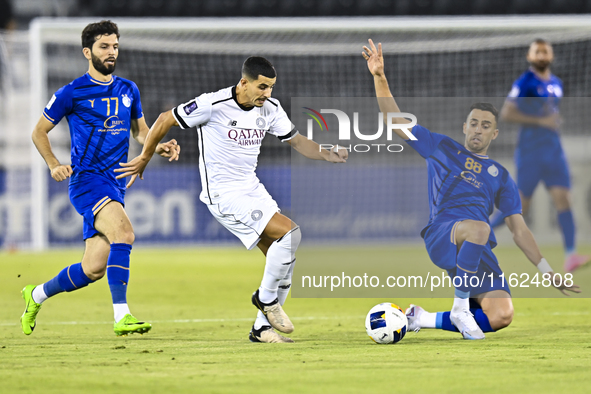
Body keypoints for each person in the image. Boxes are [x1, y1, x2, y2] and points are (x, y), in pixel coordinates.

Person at [115, 56, 348, 343]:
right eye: (262, 87)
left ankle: (261, 328)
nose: (267, 93)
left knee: (285, 259)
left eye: (271, 87)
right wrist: (144, 157)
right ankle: (265, 300)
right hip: (223, 194)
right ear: (244, 83)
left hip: (252, 189)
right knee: (289, 234)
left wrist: (326, 152)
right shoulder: (212, 104)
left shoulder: (271, 109)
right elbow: (165, 119)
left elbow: (297, 141)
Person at [362, 39, 579, 340]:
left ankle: (421, 319)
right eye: (474, 123)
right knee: (479, 227)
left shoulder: (501, 176)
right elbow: (396, 121)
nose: (478, 129)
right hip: (444, 233)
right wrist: (379, 77)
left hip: (478, 249)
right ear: (465, 127)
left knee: (502, 314)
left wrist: (547, 270)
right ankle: (460, 307)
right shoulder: (441, 146)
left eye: (485, 125)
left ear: (495, 132)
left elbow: (519, 231)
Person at [22, 20, 180, 336]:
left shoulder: (128, 89)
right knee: (124, 233)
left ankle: (35, 294)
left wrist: (157, 146)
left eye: (115, 46)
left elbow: (140, 132)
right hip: (86, 181)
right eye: (104, 46)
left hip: (115, 182)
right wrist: (54, 163)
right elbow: (39, 131)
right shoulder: (71, 92)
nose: (111, 52)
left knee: (93, 268)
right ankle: (122, 316)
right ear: (87, 51)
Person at [492, 39, 589, 273]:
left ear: (551, 55)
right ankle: (477, 231)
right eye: (538, 51)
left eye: (545, 51)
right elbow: (507, 113)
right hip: (531, 152)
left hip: (553, 151)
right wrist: (541, 121)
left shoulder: (557, 83)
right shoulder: (525, 82)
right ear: (530, 56)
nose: (542, 55)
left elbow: (549, 112)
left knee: (564, 200)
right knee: (519, 207)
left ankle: (570, 256)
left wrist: (552, 120)